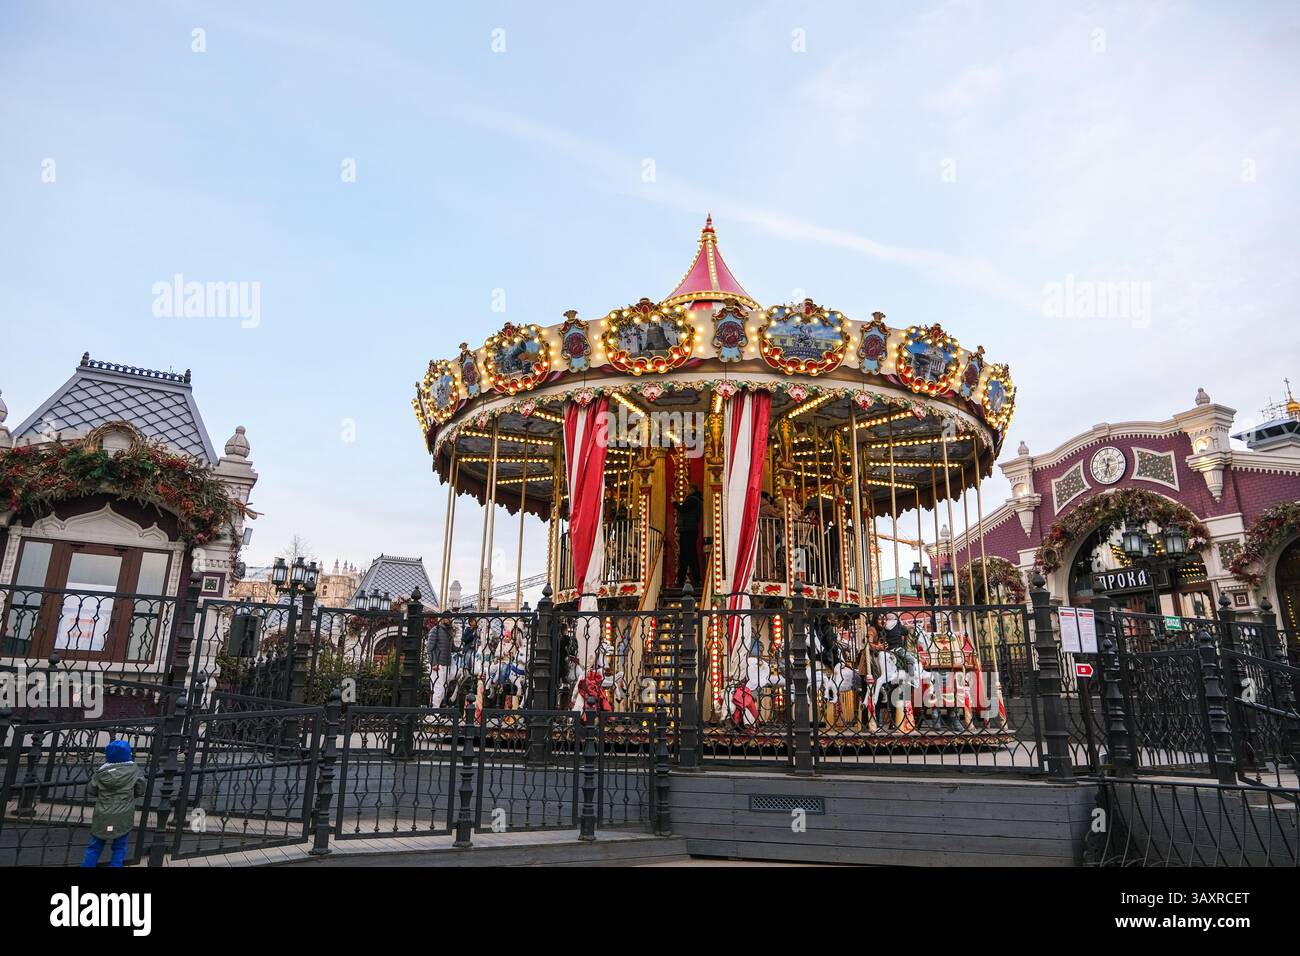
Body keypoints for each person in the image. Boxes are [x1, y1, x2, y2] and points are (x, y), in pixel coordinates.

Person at [80, 739, 145, 868]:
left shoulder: (101, 773)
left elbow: (91, 790)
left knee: (95, 846)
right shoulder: (134, 771)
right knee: (120, 847)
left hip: (103, 812)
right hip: (123, 813)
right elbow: (140, 789)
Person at [673, 484, 704, 588]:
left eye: (687, 489)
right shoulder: (696, 500)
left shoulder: (693, 500)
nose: (686, 490)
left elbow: (683, 509)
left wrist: (674, 502)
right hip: (690, 530)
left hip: (688, 530)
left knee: (687, 556)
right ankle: (692, 579)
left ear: (692, 490)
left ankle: (686, 580)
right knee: (688, 556)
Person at [428, 615, 455, 706]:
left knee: (443, 689)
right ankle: (434, 712)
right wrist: (434, 663)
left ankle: (435, 711)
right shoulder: (436, 629)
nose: (449, 619)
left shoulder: (449, 632)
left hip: (446, 664)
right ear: (442, 619)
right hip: (438, 664)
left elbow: (452, 648)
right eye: (447, 617)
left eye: (450, 618)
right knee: (438, 688)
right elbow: (430, 648)